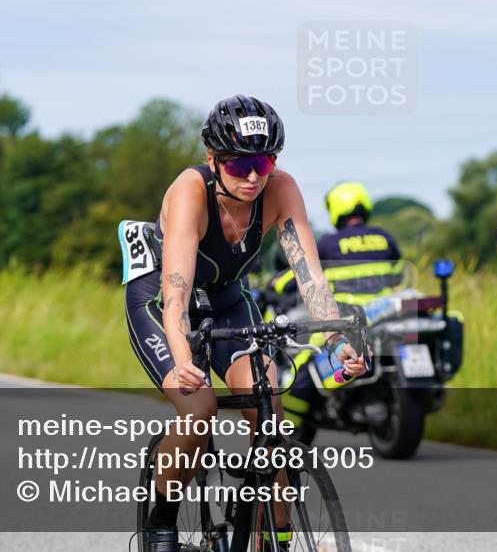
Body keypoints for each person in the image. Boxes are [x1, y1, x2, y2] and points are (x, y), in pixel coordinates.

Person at [124, 95, 366, 552]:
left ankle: (271, 537)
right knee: (199, 413)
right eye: (239, 165)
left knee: (272, 417)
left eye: (264, 161)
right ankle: (161, 519)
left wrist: (336, 338)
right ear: (213, 160)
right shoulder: (189, 192)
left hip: (229, 299)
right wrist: (182, 362)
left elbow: (309, 276)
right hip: (163, 301)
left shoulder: (281, 189)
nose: (254, 175)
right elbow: (175, 294)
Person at [274, 182, 404, 431]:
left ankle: (286, 432)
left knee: (303, 361)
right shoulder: (385, 238)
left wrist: (277, 284)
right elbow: (398, 274)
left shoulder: (328, 244)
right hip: (384, 312)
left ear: (336, 209)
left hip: (347, 316)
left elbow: (304, 275)